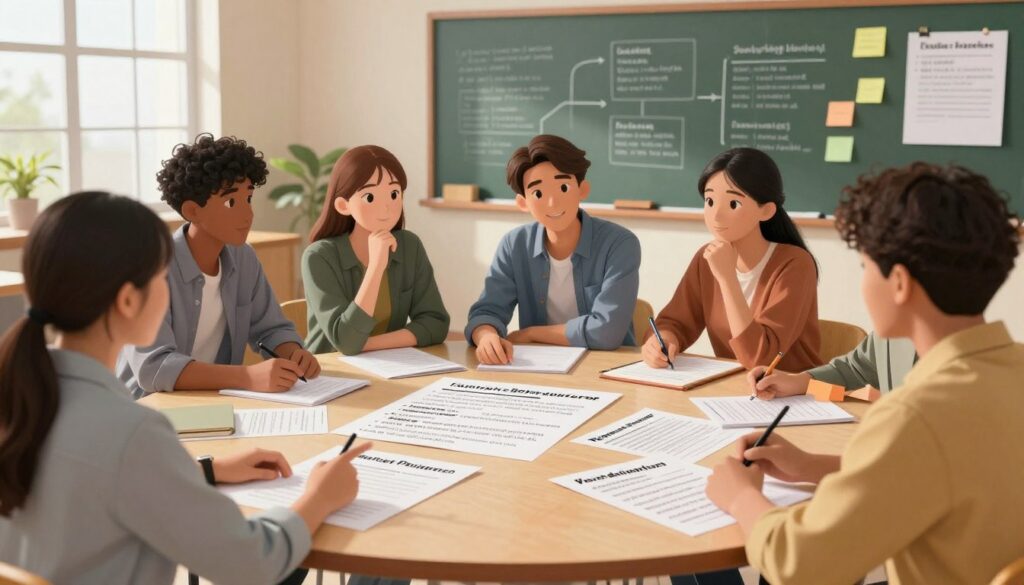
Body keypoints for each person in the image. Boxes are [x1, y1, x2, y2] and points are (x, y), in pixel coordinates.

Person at [0, 191, 371, 584]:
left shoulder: (21, 397)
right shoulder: (133, 433)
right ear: (128, 300)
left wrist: (203, 471)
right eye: (161, 277)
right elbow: (252, 563)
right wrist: (320, 497)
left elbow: (97, 482)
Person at [706, 163, 1024, 585]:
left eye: (865, 267)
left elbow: (802, 566)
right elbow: (942, 471)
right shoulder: (1011, 369)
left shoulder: (913, 416)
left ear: (898, 283)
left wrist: (741, 497)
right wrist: (811, 465)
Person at [121, 134, 319, 398]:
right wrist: (247, 376)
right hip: (150, 407)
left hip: (217, 400)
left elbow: (270, 328)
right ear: (192, 211)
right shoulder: (151, 268)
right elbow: (153, 368)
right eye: (230, 202)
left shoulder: (243, 258)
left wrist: (294, 353)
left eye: (248, 199)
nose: (247, 215)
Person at [466, 134, 641, 365]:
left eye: (564, 187)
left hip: (606, 367)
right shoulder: (514, 245)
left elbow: (606, 332)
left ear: (582, 189)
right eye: (538, 193)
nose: (552, 203)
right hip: (538, 367)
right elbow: (487, 311)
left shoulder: (619, 244)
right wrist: (486, 335)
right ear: (523, 202)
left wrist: (531, 333)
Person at [643, 147, 821, 372]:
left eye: (733, 204)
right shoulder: (706, 258)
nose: (716, 215)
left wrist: (727, 278)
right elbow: (675, 321)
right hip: (733, 390)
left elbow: (761, 359)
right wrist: (664, 341)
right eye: (709, 201)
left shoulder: (795, 264)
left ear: (766, 211)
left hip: (791, 396)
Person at [302, 145, 449, 355]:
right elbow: (346, 340)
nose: (386, 208)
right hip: (331, 373)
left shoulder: (409, 246)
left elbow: (436, 323)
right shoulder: (319, 257)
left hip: (389, 367)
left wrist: (368, 345)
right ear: (344, 205)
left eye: (394, 193)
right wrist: (375, 268)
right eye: (370, 197)